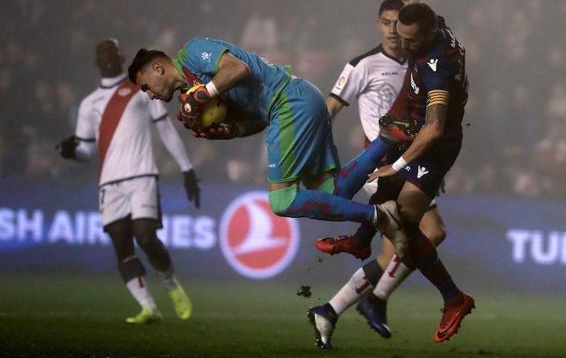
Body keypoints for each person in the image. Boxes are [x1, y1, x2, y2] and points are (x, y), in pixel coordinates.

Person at [127, 37, 408, 248]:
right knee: (331, 193)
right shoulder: (191, 89)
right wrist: (229, 131)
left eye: (145, 86)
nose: (148, 94)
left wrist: (204, 94)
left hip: (289, 102)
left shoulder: (191, 54)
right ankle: (386, 141)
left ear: (157, 68)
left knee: (282, 200)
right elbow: (258, 121)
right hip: (297, 102)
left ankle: (378, 216)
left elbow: (238, 69)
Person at [337, 0, 475, 343]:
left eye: (411, 40)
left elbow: (434, 129)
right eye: (400, 33)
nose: (403, 44)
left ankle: (452, 297)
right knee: (397, 215)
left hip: (436, 146)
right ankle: (363, 242)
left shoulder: (436, 68)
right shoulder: (433, 23)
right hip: (418, 137)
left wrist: (396, 165)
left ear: (427, 37)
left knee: (404, 221)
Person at [307, 0, 448, 349]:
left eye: (397, 23)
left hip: (414, 165)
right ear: (378, 24)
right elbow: (329, 110)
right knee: (430, 233)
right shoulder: (363, 65)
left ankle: (330, 310)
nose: (392, 30)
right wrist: (316, 157)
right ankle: (375, 299)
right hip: (382, 169)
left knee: (394, 253)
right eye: (386, 22)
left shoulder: (420, 62)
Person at [57, 39, 199, 324]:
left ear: (122, 57)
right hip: (109, 183)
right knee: (122, 247)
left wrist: (187, 168)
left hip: (142, 175)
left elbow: (166, 129)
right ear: (97, 61)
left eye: (113, 51)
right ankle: (148, 307)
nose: (108, 56)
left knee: (146, 238)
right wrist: (72, 152)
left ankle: (171, 284)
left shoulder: (141, 88)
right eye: (103, 53)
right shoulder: (88, 104)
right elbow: (86, 151)